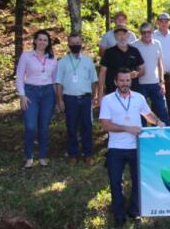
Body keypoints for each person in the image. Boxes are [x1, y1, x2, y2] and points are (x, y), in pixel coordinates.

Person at [99, 68, 165, 228]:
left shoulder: (139, 98)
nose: (125, 83)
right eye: (121, 81)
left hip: (137, 146)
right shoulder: (108, 100)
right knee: (116, 182)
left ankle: (134, 212)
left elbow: (148, 114)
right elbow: (105, 125)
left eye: (127, 80)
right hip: (116, 148)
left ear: (131, 81)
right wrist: (127, 128)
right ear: (115, 82)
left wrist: (158, 122)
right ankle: (119, 216)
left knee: (138, 180)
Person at [16, 29, 58, 168]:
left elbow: (54, 79)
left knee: (44, 127)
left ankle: (42, 156)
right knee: (31, 126)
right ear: (34, 41)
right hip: (30, 92)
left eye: (45, 40)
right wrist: (22, 95)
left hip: (48, 93)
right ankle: (29, 157)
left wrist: (57, 99)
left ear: (48, 43)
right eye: (39, 39)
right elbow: (20, 76)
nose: (42, 42)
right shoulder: (26, 56)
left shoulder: (52, 58)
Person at [55, 33, 98, 165]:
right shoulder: (62, 62)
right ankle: (73, 155)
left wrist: (94, 96)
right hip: (70, 99)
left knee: (87, 126)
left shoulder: (88, 61)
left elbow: (94, 81)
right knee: (71, 128)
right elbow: (58, 83)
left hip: (85, 98)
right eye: (72, 43)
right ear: (68, 44)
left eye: (77, 42)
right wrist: (60, 100)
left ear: (81, 43)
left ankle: (88, 154)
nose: (75, 45)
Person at [132, 22, 170, 125]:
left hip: (156, 83)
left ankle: (166, 135)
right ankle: (144, 136)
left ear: (152, 32)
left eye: (148, 32)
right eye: (143, 32)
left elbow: (160, 63)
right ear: (140, 33)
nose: (146, 34)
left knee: (163, 111)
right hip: (140, 85)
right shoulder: (134, 45)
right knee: (141, 114)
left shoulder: (157, 44)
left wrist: (162, 82)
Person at [99, 26, 145, 96]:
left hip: (132, 92)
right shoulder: (109, 52)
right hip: (113, 92)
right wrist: (100, 94)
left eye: (124, 34)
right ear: (115, 36)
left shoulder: (134, 51)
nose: (122, 37)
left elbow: (142, 70)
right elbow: (102, 73)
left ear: (128, 35)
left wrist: (137, 73)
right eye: (119, 34)